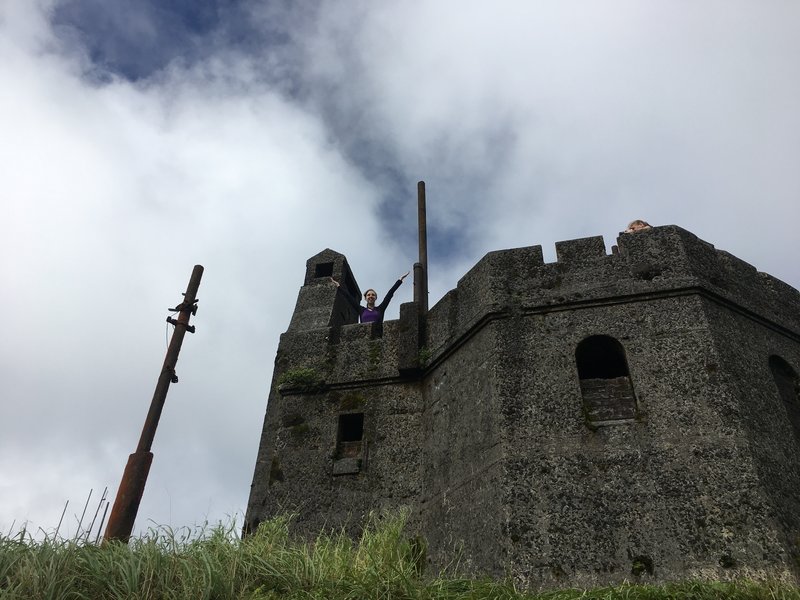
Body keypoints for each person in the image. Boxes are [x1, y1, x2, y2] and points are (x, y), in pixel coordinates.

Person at [331, 271, 409, 324]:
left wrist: (400, 280)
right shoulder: (361, 310)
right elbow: (349, 298)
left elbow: (390, 293)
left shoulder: (380, 309)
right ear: (365, 298)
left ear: (375, 298)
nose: (370, 296)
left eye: (373, 295)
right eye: (368, 295)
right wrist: (338, 286)